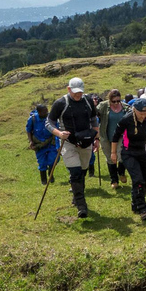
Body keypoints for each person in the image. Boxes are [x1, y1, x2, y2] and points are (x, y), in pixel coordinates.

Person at [46, 77, 99, 218]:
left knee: (82, 172)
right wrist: (59, 133)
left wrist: (97, 138)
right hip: (68, 142)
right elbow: (49, 122)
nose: (78, 95)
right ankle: (82, 206)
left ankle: (76, 196)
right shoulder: (60, 103)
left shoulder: (87, 101)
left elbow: (94, 119)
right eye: (75, 92)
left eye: (80, 92)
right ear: (68, 89)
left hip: (86, 142)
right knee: (75, 172)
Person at [112, 98, 146, 221]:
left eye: (145, 113)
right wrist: (113, 153)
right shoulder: (126, 120)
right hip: (129, 153)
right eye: (140, 113)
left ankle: (135, 203)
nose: (143, 116)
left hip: (145, 152)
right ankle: (143, 209)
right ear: (134, 110)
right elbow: (115, 136)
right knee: (137, 179)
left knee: (143, 179)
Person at [97, 89, 130, 189]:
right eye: (114, 101)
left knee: (122, 156)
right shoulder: (103, 106)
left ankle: (121, 172)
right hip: (106, 136)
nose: (116, 103)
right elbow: (94, 113)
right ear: (109, 100)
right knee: (110, 159)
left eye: (118, 101)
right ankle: (114, 180)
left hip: (121, 136)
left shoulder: (125, 107)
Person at [26, 104, 59, 185]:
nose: (46, 112)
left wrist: (58, 143)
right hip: (39, 144)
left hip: (51, 142)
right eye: (44, 111)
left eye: (47, 110)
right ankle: (43, 181)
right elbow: (28, 130)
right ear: (39, 112)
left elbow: (57, 129)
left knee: (54, 159)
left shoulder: (51, 118)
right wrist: (30, 141)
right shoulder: (32, 119)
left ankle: (50, 174)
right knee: (42, 162)